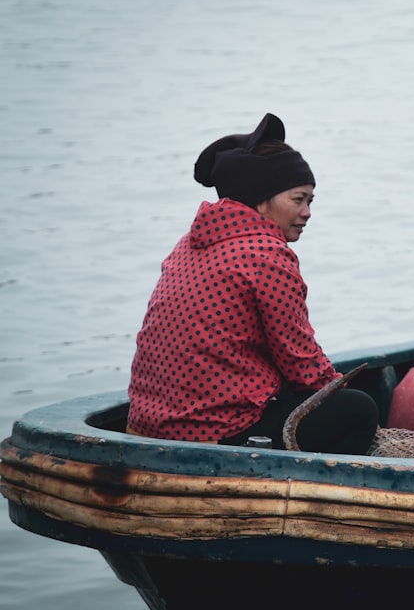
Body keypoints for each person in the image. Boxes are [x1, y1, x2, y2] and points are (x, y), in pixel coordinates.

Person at [126, 113, 379, 454]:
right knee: (358, 410)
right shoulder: (266, 254)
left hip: (146, 425)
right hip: (215, 434)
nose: (307, 213)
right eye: (298, 199)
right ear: (262, 197)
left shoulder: (192, 241)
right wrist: (348, 394)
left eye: (310, 201)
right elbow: (302, 365)